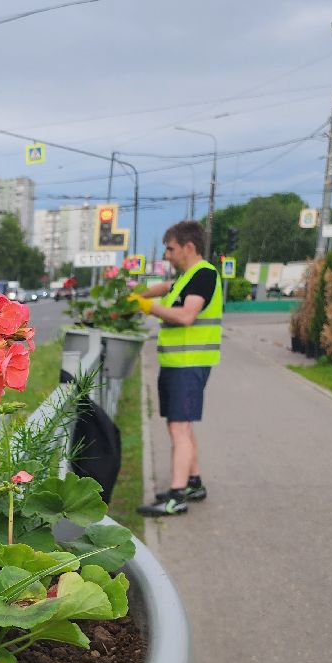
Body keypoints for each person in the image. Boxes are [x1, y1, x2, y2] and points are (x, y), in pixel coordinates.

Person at [128, 220, 222, 517]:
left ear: (188, 247)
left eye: (170, 249)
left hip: (188, 364)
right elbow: (166, 287)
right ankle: (193, 483)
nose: (166, 255)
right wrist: (140, 294)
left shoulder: (204, 275)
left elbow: (186, 316)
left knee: (179, 428)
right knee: (180, 425)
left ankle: (176, 496)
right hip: (176, 363)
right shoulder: (187, 277)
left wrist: (147, 307)